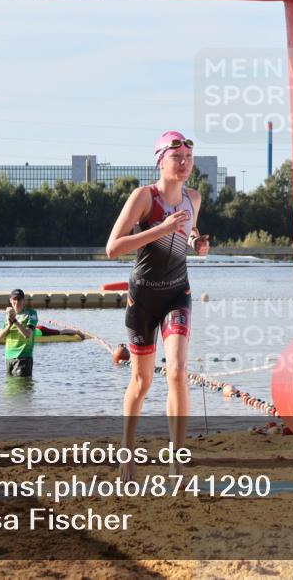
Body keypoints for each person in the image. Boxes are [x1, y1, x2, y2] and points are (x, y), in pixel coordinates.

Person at [105, 131, 210, 482]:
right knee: (142, 380)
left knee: (178, 372)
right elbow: (113, 248)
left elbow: (189, 229)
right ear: (161, 161)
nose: (184, 165)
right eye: (177, 158)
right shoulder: (143, 197)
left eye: (188, 159)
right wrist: (160, 229)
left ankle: (177, 459)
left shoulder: (194, 197)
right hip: (144, 298)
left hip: (177, 293)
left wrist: (197, 241)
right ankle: (127, 449)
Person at [0, 288, 38, 377]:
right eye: (14, 299)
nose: (17, 302)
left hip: (23, 357)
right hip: (9, 358)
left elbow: (27, 334)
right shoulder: (8, 315)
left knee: (21, 388)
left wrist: (14, 321)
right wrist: (9, 325)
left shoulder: (31, 313)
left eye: (19, 299)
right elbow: (0, 337)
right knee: (10, 389)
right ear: (10, 301)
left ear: (23, 301)